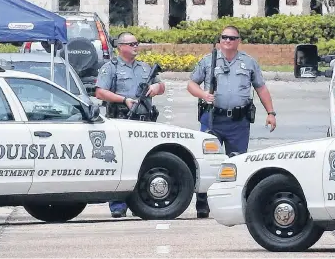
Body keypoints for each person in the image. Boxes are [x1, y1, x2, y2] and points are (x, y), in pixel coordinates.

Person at [187, 25, 277, 218]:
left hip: (238, 121)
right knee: (208, 162)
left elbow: (261, 88)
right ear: (220, 40)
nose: (227, 41)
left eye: (232, 38)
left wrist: (271, 112)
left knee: (238, 161)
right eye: (224, 37)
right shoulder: (208, 61)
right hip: (212, 119)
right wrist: (203, 94)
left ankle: (236, 203)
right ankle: (203, 203)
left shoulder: (248, 63)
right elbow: (191, 83)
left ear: (238, 41)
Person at [95, 32, 166, 218]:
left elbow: (161, 86)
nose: (136, 46)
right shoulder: (111, 68)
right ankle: (118, 205)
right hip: (122, 120)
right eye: (132, 43)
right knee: (121, 163)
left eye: (137, 43)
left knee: (144, 163)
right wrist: (124, 99)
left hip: (145, 122)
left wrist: (155, 88)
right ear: (121, 46)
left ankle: (140, 202)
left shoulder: (144, 68)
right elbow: (100, 92)